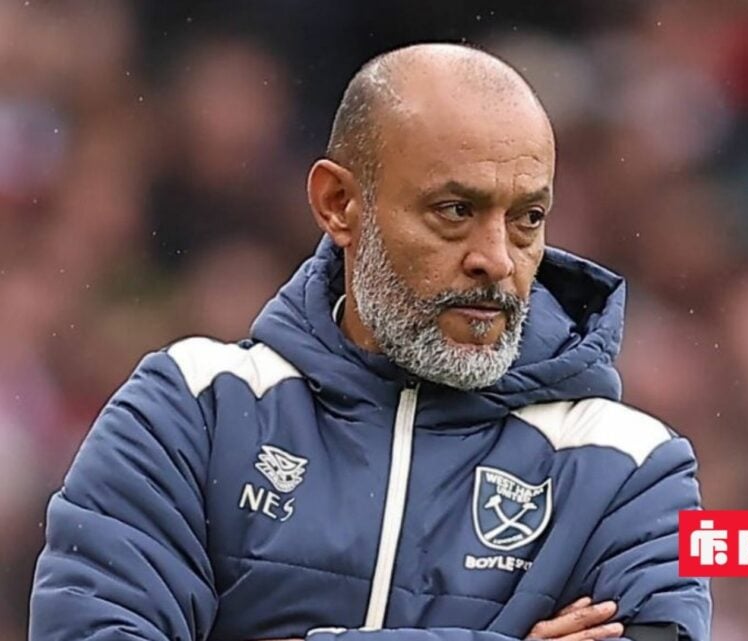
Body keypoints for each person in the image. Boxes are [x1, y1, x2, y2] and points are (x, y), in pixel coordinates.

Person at [29, 43, 709, 641]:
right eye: (455, 211)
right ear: (338, 204)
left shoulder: (631, 468)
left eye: (527, 217)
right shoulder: (190, 410)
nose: (497, 259)